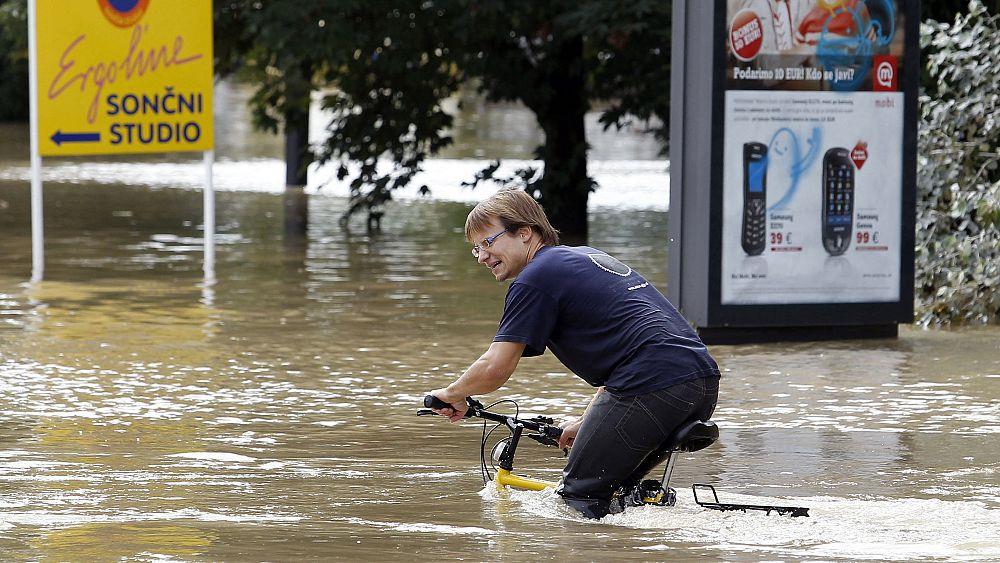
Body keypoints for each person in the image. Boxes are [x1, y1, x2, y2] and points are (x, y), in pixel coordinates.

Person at [427, 187, 721, 519]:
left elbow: (496, 367)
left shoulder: (535, 279)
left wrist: (451, 393)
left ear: (525, 232)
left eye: (488, 242)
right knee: (616, 493)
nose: (481, 256)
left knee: (578, 497)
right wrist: (587, 421)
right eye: (476, 249)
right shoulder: (580, 259)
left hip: (653, 385)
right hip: (700, 382)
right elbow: (635, 347)